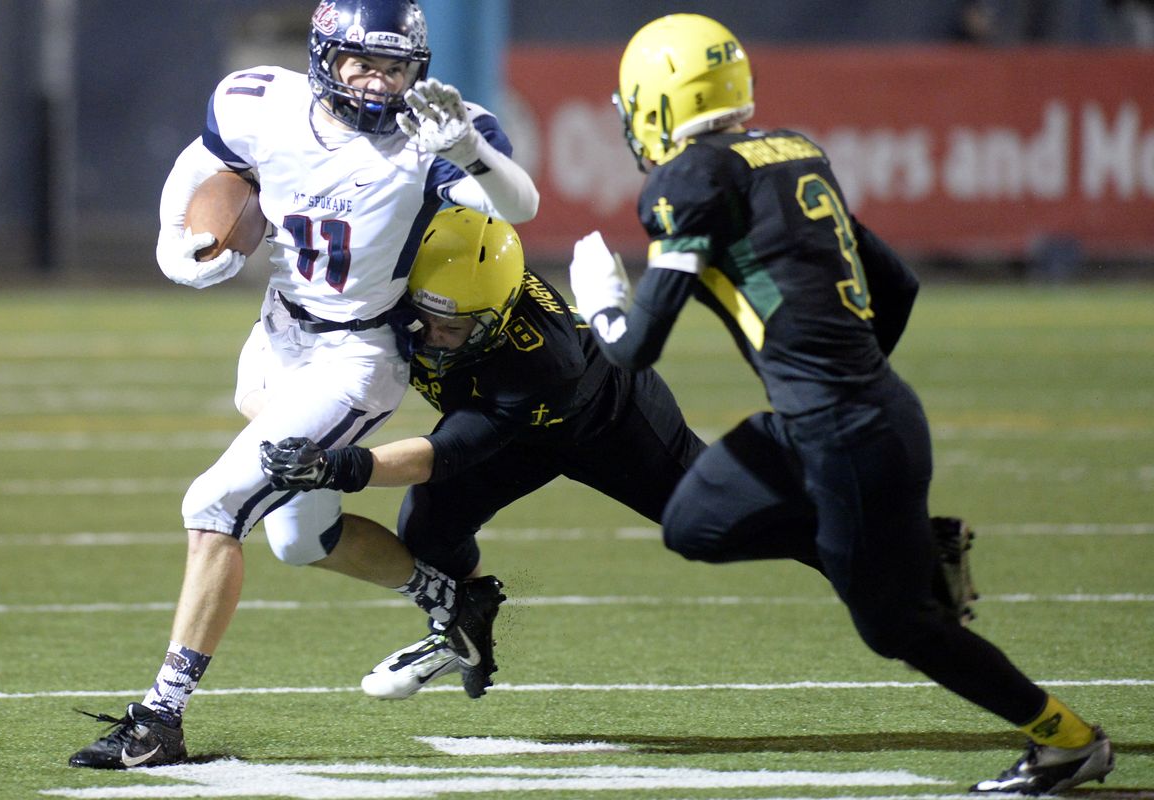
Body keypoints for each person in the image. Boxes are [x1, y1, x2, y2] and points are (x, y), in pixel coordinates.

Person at [565, 13, 1114, 797]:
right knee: (694, 522)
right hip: (844, 416)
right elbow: (897, 284)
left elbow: (634, 347)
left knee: (898, 629)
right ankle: (908, 547)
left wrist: (600, 303)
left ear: (655, 105)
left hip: (843, 431)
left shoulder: (688, 180)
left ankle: (1066, 741)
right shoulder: (794, 152)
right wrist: (836, 380)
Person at [68, 0, 537, 770]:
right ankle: (455, 601)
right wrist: (178, 243)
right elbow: (206, 164)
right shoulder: (261, 100)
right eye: (363, 62)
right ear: (324, 56)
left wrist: (470, 152)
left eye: (396, 64)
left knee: (214, 504)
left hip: (357, 358)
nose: (381, 80)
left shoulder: (437, 131)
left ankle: (160, 717)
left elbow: (518, 207)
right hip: (279, 334)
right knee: (299, 536)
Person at [258, 207, 979, 701]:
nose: (431, 332)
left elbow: (443, 453)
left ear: (497, 317)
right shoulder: (430, 287)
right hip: (511, 425)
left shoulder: (541, 360)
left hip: (607, 419)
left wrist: (343, 468)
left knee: (734, 523)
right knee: (429, 531)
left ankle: (913, 552)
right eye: (429, 314)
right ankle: (470, 613)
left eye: (453, 324)